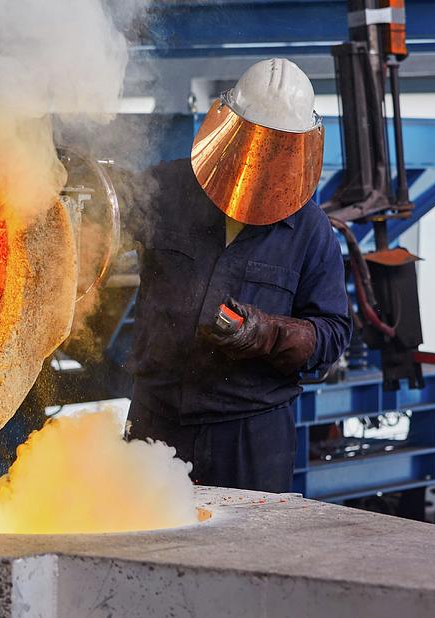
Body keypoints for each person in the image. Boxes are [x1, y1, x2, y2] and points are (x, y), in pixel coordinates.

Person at [125, 58, 352, 493]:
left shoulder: (309, 230)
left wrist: (268, 333)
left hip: (249, 436)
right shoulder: (167, 189)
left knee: (245, 558)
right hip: (156, 421)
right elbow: (108, 226)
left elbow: (333, 333)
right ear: (227, 125)